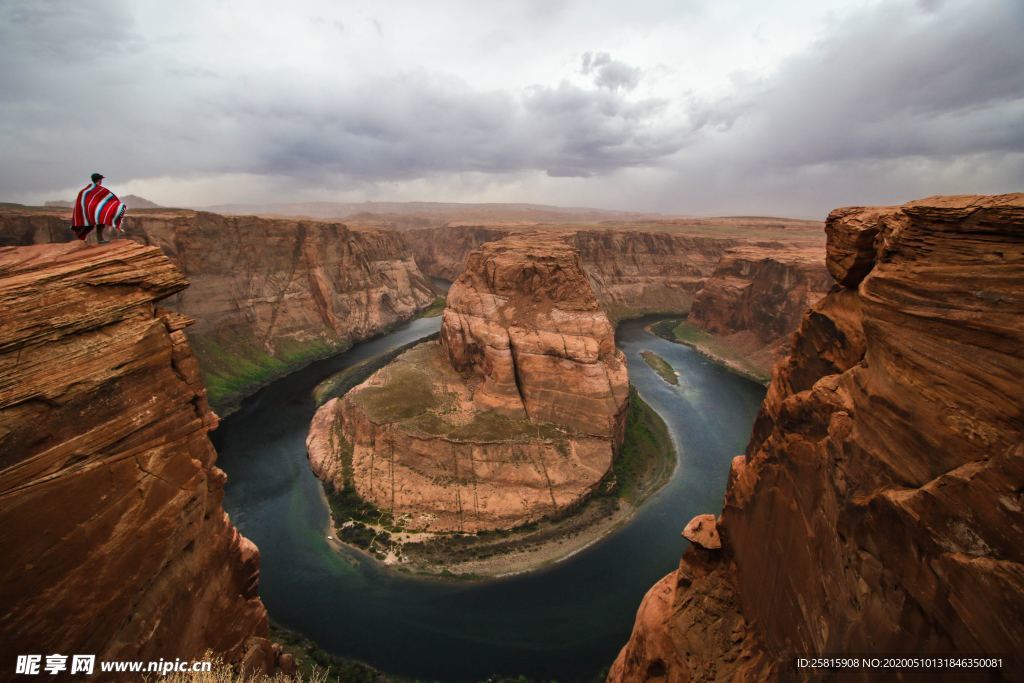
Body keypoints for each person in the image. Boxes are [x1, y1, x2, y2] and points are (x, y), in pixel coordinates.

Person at [71, 173, 126, 244]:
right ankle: (100, 240)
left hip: (90, 211)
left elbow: (85, 201)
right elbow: (109, 199)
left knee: (96, 223)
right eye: (101, 179)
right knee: (101, 222)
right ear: (99, 180)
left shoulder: (85, 191)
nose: (101, 181)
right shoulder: (100, 190)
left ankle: (97, 238)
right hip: (94, 211)